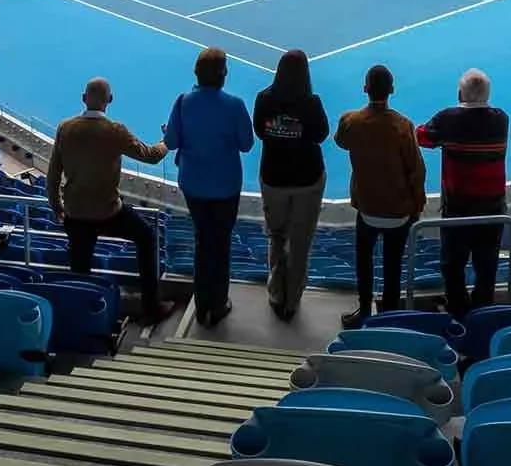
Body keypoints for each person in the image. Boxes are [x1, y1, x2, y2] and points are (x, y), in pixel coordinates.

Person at [47, 76, 174, 324]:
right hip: (108, 212)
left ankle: (80, 318)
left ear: (84, 99)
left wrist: (56, 206)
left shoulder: (65, 128)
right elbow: (150, 156)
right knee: (146, 238)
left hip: (75, 213)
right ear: (110, 100)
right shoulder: (115, 131)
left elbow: (53, 174)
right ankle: (151, 307)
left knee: (79, 268)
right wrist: (167, 141)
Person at [162, 47, 253, 328]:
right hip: (225, 186)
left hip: (194, 186)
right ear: (223, 74)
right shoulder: (235, 105)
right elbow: (246, 144)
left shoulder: (182, 103)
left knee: (202, 241)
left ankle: (202, 306)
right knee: (220, 243)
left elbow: (173, 142)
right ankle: (218, 303)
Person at [334, 63, 425, 330]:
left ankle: (363, 310)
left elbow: (341, 141)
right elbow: (416, 170)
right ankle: (390, 316)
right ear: (392, 90)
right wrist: (417, 206)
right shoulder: (403, 126)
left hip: (368, 209)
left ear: (365, 89)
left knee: (364, 261)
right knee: (393, 265)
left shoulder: (351, 122)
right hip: (398, 212)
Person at [416, 67, 511, 315]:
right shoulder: (501, 119)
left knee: (453, 263)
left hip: (459, 208)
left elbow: (422, 137)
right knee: (486, 264)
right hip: (493, 208)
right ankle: (482, 311)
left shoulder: (448, 119)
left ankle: (458, 310)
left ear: (460, 94)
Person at [251, 49, 329, 322]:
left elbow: (260, 131)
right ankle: (292, 301)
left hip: (274, 178)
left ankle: (276, 294)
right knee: (299, 243)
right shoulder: (311, 102)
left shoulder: (264, 98)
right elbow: (321, 134)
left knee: (276, 236)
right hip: (307, 179)